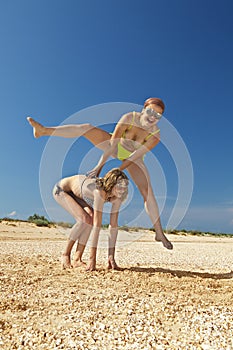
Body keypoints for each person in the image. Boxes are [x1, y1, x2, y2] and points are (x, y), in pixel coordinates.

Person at [27, 97, 173, 250]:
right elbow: (111, 145)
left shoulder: (155, 135)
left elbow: (133, 157)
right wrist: (99, 167)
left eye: (158, 115)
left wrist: (118, 170)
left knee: (147, 191)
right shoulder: (129, 118)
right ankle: (44, 131)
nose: (152, 116)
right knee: (86, 127)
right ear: (143, 109)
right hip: (115, 145)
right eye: (150, 111)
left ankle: (159, 232)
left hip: (134, 157)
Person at [53, 168, 129, 271]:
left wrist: (111, 257)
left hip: (80, 195)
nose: (122, 189)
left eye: (124, 186)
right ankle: (65, 254)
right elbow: (97, 226)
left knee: (90, 218)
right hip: (62, 190)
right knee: (84, 219)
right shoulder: (99, 192)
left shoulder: (118, 196)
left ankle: (77, 259)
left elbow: (113, 225)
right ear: (112, 184)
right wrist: (92, 259)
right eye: (119, 186)